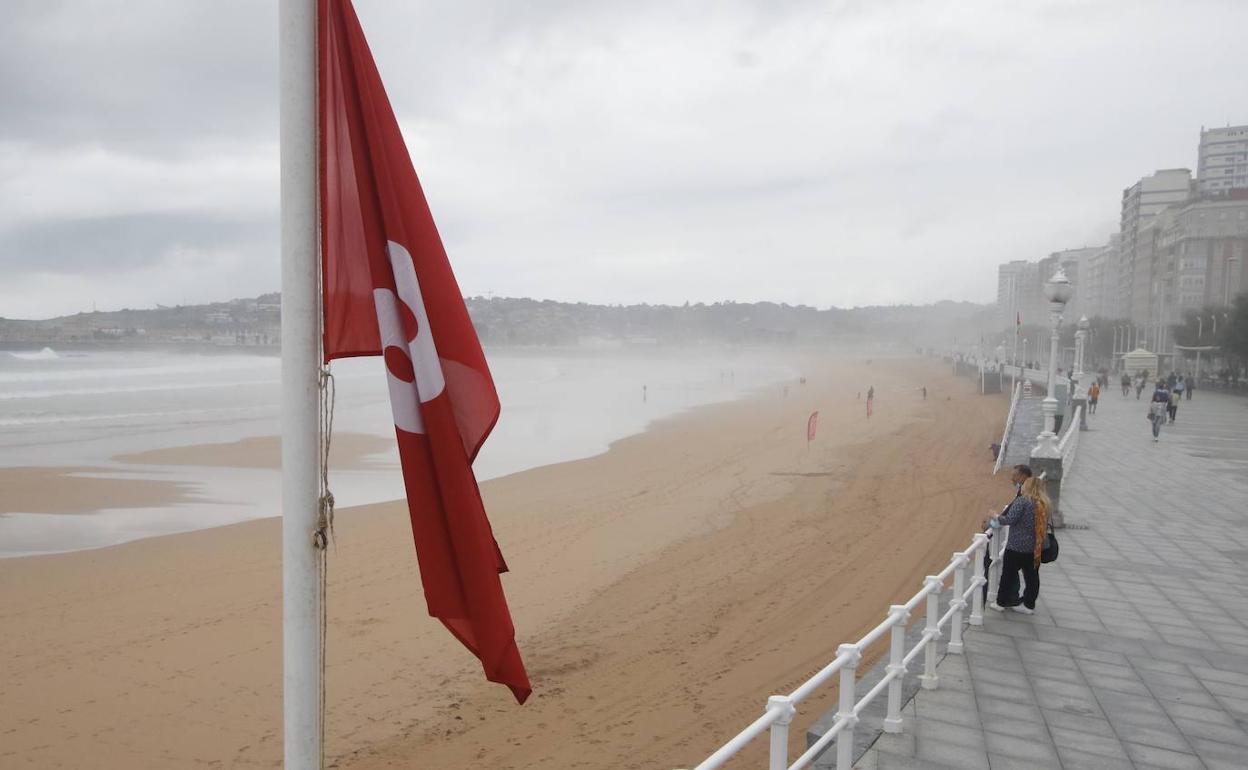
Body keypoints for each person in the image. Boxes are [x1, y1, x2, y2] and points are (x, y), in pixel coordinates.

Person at [985, 475, 1048, 614]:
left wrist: (994, 515)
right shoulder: (1043, 503)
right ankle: (1029, 605)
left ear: (1028, 487)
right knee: (1032, 577)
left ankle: (1000, 602)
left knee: (1008, 574)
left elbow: (1009, 519)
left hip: (1016, 547)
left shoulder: (1023, 501)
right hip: (1034, 548)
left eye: (1024, 484)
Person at [982, 464, 1032, 603]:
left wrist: (993, 519)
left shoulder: (1023, 496)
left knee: (1010, 572)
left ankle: (1006, 600)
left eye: (1014, 475)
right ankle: (1026, 602)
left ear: (1022, 476)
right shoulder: (1030, 494)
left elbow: (1010, 518)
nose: (1012, 477)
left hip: (1019, 543)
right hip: (1029, 542)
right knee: (1029, 574)